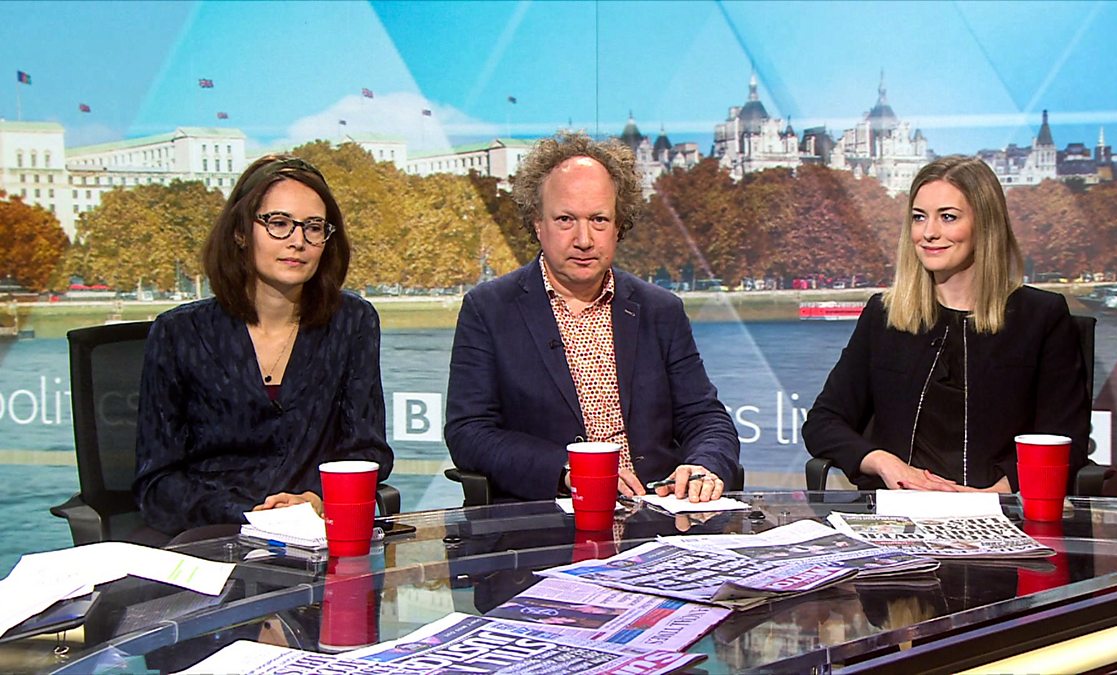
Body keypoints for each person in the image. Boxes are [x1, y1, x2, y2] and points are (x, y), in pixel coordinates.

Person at [444, 131, 739, 503]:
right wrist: (569, 470)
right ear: (538, 224)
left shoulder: (660, 310)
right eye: (566, 219)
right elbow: (469, 432)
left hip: (655, 512)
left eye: (599, 220)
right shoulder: (489, 309)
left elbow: (705, 417)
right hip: (548, 514)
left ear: (618, 226)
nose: (584, 239)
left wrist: (704, 465)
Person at [133, 155, 393, 536]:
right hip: (215, 533)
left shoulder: (352, 322)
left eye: (313, 228)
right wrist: (249, 513)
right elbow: (156, 483)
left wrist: (317, 498)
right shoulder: (178, 333)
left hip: (315, 531)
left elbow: (368, 451)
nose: (298, 241)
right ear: (241, 232)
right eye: (279, 223)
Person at [801, 155, 1089, 492]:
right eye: (919, 217)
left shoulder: (1041, 316)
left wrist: (993, 496)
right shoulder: (885, 315)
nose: (929, 233)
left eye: (948, 217)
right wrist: (885, 464)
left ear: (985, 224)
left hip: (999, 509)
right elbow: (823, 422)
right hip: (897, 509)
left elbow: (1062, 439)